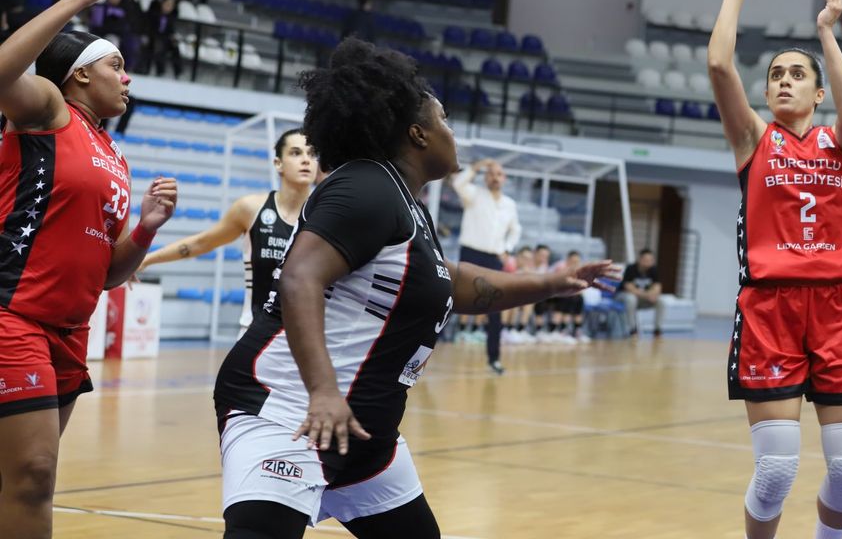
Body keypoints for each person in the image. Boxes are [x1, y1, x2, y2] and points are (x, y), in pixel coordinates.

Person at [212, 39, 615, 539]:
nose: (452, 131)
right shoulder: (366, 186)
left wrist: (551, 282)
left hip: (363, 432)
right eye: (444, 120)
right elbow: (299, 277)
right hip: (292, 409)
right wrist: (323, 391)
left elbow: (455, 283)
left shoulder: (405, 203)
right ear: (418, 133)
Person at [0, 0, 178, 539]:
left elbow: (107, 274)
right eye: (115, 66)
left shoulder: (114, 156)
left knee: (20, 480)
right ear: (78, 74)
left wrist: (145, 229)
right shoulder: (49, 109)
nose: (127, 78)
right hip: (14, 315)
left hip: (71, 331)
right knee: (33, 475)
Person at [706, 0, 842, 539]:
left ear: (818, 91)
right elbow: (719, 65)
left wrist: (826, 32)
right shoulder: (754, 140)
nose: (783, 81)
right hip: (770, 309)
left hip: (838, 308)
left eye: (797, 75)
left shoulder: (841, 143)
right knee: (776, 470)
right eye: (776, 74)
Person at [139, 130, 317, 327]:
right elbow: (202, 242)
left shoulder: (326, 214)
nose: (306, 160)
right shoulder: (250, 208)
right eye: (296, 153)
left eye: (311, 154)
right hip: (255, 329)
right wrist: (146, 260)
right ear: (278, 163)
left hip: (306, 332)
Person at [450, 158, 521, 374]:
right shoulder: (474, 194)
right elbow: (457, 183)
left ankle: (494, 359)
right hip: (470, 254)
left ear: (504, 178)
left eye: (498, 174)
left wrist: (507, 249)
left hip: (493, 259)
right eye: (491, 174)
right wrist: (477, 167)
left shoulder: (509, 204)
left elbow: (515, 230)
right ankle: (420, 354)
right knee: (449, 301)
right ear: (485, 177)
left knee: (495, 309)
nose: (495, 177)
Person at [617, 248, 665, 337]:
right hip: (623, 297)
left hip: (641, 299)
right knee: (631, 298)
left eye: (650, 260)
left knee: (661, 301)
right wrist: (647, 295)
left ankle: (657, 330)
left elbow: (657, 287)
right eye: (646, 260)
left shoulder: (653, 270)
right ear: (640, 259)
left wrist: (653, 295)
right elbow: (629, 288)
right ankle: (632, 329)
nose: (648, 262)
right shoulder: (631, 268)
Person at [141, 0, 181, 77]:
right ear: (162, 3)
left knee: (175, 45)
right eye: (167, 4)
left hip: (165, 39)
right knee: (158, 44)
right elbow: (148, 28)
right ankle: (158, 70)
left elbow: (171, 31)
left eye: (171, 5)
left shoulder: (171, 17)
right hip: (153, 37)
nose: (168, 7)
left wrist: (172, 37)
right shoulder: (153, 13)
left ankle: (178, 71)